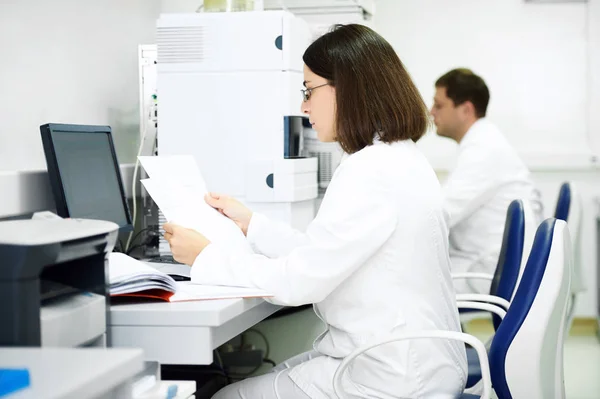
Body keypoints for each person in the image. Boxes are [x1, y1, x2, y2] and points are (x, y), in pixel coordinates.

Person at [163, 24, 467, 399]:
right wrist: (251, 224)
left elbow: (298, 282)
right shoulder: (400, 156)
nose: (304, 106)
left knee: (224, 396)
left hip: (390, 376)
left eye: (309, 91)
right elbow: (325, 251)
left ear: (349, 88)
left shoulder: (369, 169)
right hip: (410, 360)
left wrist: (205, 258)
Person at [431, 68, 543, 295]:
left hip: (489, 270)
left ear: (466, 110)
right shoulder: (483, 143)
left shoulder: (483, 150)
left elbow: (441, 212)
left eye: (439, 105)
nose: (431, 112)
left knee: (410, 286)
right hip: (486, 261)